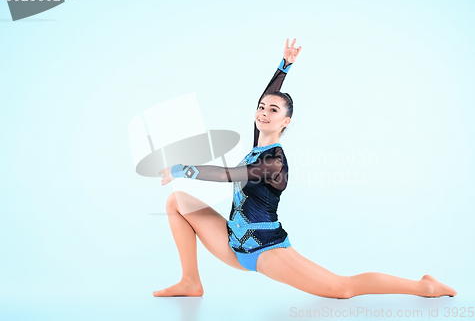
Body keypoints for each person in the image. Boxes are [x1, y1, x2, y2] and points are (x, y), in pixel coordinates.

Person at [154, 38, 457, 299]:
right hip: (231, 241)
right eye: (261, 108)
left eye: (273, 111)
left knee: (343, 289)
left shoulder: (272, 161)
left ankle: (425, 288)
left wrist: (183, 168)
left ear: (285, 122)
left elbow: (226, 175)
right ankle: (191, 282)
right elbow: (267, 97)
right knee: (176, 201)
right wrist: (284, 66)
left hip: (265, 251)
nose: (263, 113)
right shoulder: (258, 142)